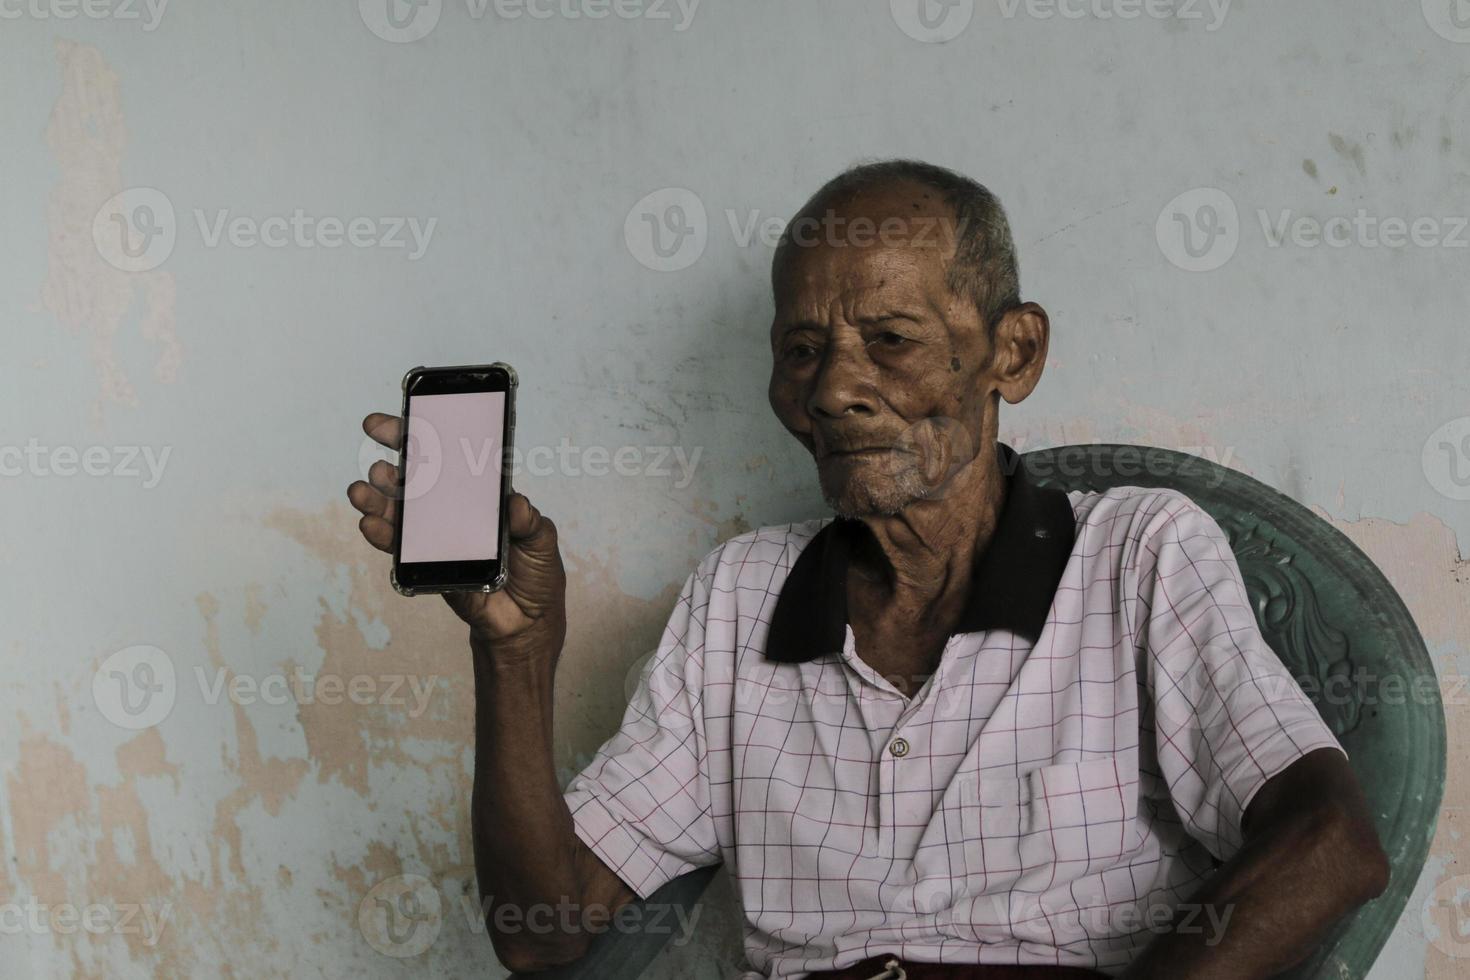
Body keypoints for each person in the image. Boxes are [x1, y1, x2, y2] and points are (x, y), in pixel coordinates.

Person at [346, 160, 1388, 979]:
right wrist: (519, 657)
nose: (837, 387)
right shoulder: (739, 596)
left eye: (890, 339)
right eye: (800, 350)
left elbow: (1331, 843)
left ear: (1012, 354)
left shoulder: (1135, 553)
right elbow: (547, 928)